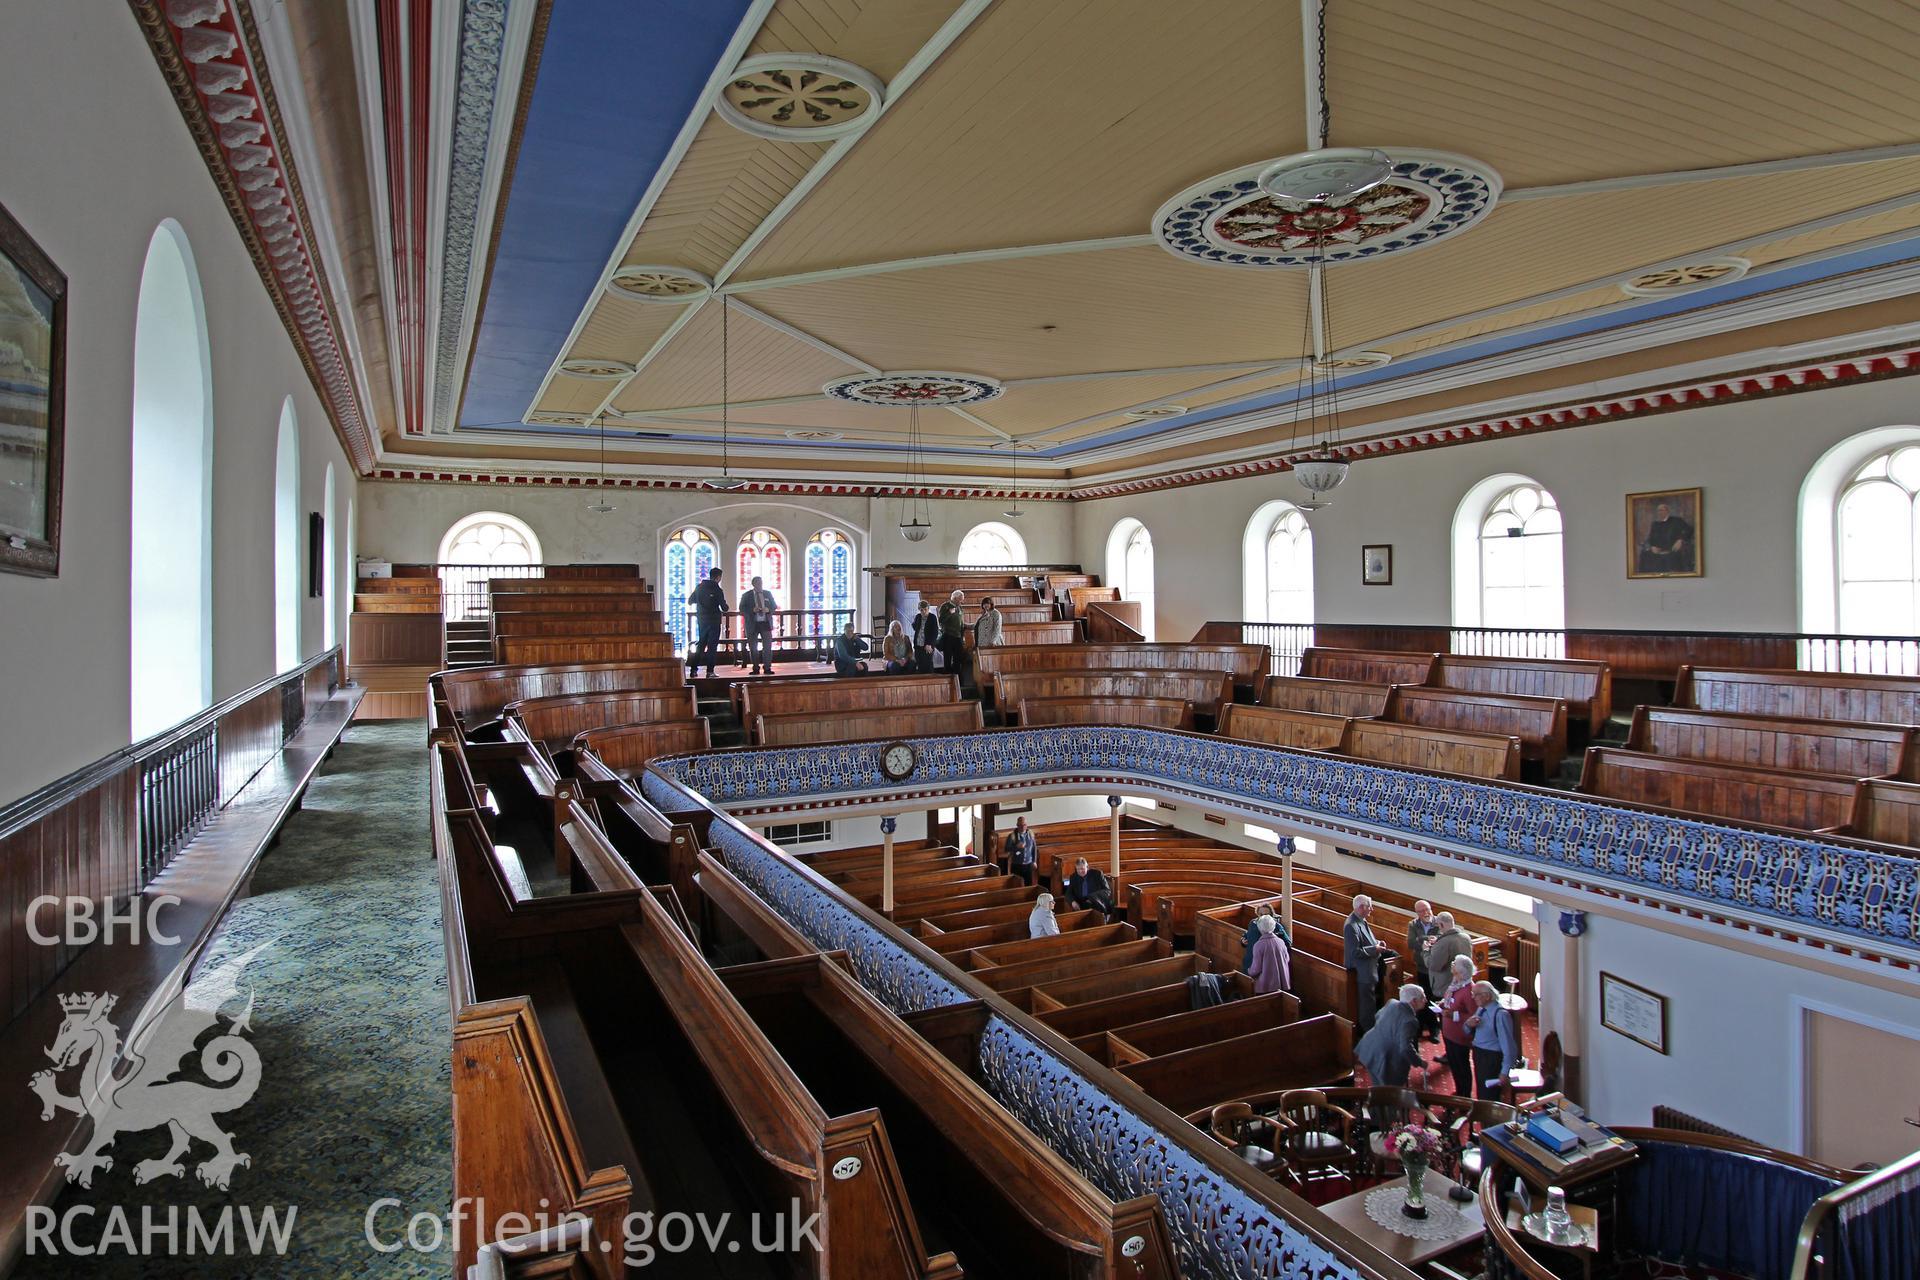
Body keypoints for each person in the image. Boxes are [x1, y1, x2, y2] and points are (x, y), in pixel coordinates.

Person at [1354, 984, 1428, 1088]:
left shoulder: (1392, 1003)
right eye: (1423, 997)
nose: (1425, 1000)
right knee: (1388, 1092)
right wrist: (1420, 1062)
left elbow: (1377, 1016)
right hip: (1384, 1058)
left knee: (1377, 1084)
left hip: (1370, 1048)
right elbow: (1406, 1048)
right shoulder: (1410, 1020)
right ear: (1414, 1001)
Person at [1467, 979, 1522, 1100]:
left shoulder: (1501, 1015)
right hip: (1479, 1054)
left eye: (1475, 994)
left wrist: (1504, 1072)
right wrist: (1468, 1025)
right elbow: (1468, 1030)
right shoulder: (1481, 1008)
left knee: (1490, 1095)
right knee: (1482, 1090)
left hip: (1491, 1059)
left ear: (1487, 996)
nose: (1473, 997)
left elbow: (1509, 1047)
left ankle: (1491, 1118)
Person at [1343, 894, 1388, 1036]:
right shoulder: (1351, 925)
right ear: (1361, 907)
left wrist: (1377, 943)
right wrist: (1375, 949)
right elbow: (1354, 952)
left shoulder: (1361, 920)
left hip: (1370, 968)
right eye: (1369, 906)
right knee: (1367, 1005)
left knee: (1371, 1001)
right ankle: (1369, 1033)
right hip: (1363, 971)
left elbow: (1366, 941)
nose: (1371, 909)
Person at [1436, 955, 1478, 1097]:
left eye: (1454, 964)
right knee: (1453, 1064)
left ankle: (1465, 1096)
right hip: (1449, 1033)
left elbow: (1475, 1016)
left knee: (1462, 1066)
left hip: (1460, 1036)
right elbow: (1449, 999)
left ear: (1461, 972)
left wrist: (1453, 1015)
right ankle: (1459, 1091)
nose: (1452, 965)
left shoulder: (1469, 990)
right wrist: (1442, 1004)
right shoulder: (1456, 983)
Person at [1406, 900, 1441, 1042]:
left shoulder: (1439, 922)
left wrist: (1433, 941)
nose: (1425, 913)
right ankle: (1419, 1027)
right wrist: (1426, 939)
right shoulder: (1413, 925)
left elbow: (1443, 939)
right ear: (1417, 913)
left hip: (1436, 967)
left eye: (1427, 909)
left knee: (1434, 998)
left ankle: (1434, 1029)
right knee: (1423, 997)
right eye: (1421, 911)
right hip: (1422, 966)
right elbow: (1410, 943)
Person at [688, 566, 727, 679]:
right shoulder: (717, 589)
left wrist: (702, 604)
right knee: (712, 646)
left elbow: (690, 601)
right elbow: (724, 607)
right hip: (714, 620)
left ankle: (693, 670)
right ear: (718, 577)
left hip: (702, 620)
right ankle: (710, 672)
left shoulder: (699, 587)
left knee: (701, 645)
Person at [1637, 500, 1694, 575]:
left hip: (1673, 550)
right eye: (1658, 510)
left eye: (1661, 510)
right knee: (1644, 555)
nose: (1659, 512)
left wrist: (1681, 540)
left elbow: (1689, 530)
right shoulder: (1655, 524)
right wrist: (1652, 547)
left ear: (1667, 511)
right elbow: (1651, 538)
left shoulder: (1676, 520)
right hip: (1657, 551)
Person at [1425, 913, 1473, 998]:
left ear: (1441, 924)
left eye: (1438, 925)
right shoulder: (1466, 937)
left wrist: (1425, 951)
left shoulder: (1443, 943)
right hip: (1463, 983)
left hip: (1445, 987)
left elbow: (1434, 966)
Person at [739, 574, 777, 674]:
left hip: (765, 623)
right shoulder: (746, 595)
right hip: (753, 624)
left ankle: (767, 667)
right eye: (758, 583)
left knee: (767, 647)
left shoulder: (767, 594)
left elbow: (774, 606)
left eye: (761, 583)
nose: (760, 585)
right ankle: (755, 668)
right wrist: (752, 610)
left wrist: (768, 609)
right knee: (753, 647)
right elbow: (742, 608)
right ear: (753, 584)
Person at [1247, 913, 1291, 995]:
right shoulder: (1280, 942)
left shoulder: (1259, 945)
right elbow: (1287, 959)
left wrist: (1249, 971)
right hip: (1282, 983)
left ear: (1259, 928)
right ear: (1273, 927)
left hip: (1265, 986)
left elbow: (1256, 969)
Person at [1240, 902, 1291, 972]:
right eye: (1261, 915)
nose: (1263, 917)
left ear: (1271, 915)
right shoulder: (1253, 923)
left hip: (1266, 964)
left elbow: (1288, 943)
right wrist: (1243, 941)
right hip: (1250, 960)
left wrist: (1274, 937)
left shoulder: (1276, 926)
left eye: (1266, 915)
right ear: (1257, 914)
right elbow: (1246, 935)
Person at [937, 589, 968, 683]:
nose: (962, 601)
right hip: (948, 636)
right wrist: (949, 613)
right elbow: (941, 620)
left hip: (958, 636)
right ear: (954, 598)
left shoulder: (960, 608)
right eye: (960, 599)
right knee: (948, 658)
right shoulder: (945, 606)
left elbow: (961, 622)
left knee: (958, 659)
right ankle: (948, 679)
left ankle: (958, 679)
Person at [1004, 816, 1038, 885]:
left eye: (1024, 825)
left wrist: (1034, 861)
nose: (1023, 827)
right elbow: (1006, 849)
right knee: (1016, 884)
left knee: (1028, 884)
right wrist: (1016, 847)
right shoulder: (1012, 836)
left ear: (1027, 825)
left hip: (1028, 865)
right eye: (1020, 825)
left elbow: (1034, 848)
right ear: (1017, 825)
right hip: (1017, 865)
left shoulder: (1030, 834)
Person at [911, 600, 940, 672]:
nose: (923, 611)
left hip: (928, 645)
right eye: (921, 610)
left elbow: (935, 633)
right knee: (920, 665)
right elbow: (914, 626)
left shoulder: (932, 617)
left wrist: (930, 644)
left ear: (928, 609)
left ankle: (930, 681)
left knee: (928, 665)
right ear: (919, 609)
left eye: (925, 609)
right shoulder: (918, 616)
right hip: (918, 645)